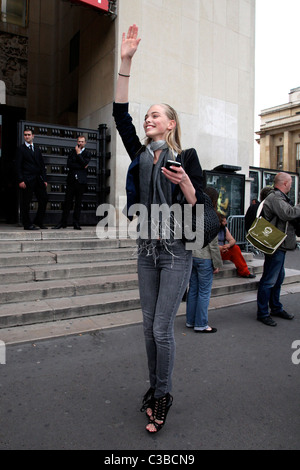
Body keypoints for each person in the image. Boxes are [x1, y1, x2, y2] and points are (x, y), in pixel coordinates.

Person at [113, 25, 204, 434]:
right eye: (146, 114)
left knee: (162, 328)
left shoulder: (186, 157)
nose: (147, 118)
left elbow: (200, 208)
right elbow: (119, 114)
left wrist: (184, 182)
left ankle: (163, 394)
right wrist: (126, 62)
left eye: (155, 115)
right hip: (146, 249)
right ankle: (154, 388)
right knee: (148, 326)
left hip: (176, 251)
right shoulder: (140, 154)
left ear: (170, 124)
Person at [257, 172, 300, 326]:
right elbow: (288, 214)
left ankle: (275, 307)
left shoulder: (279, 197)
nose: (291, 185)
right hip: (274, 244)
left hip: (278, 244)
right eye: (290, 182)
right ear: (285, 183)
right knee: (269, 279)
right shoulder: (275, 197)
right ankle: (263, 313)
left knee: (278, 278)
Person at [186, 188, 222, 333]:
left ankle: (190, 320)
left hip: (192, 256)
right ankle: (201, 324)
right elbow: (213, 244)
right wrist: (217, 263)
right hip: (205, 257)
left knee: (193, 290)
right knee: (204, 292)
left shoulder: (193, 213)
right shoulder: (211, 215)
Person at [53, 136, 91, 230]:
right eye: (79, 141)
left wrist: (78, 155)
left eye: (82, 141)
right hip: (71, 181)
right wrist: (81, 165)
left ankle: (76, 223)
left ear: (85, 143)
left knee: (78, 203)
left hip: (81, 182)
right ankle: (63, 222)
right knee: (67, 203)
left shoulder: (87, 153)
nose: (80, 143)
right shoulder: (71, 152)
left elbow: (84, 163)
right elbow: (69, 164)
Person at [15, 128, 48, 230]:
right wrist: (20, 180)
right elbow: (18, 166)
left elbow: (42, 165)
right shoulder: (21, 149)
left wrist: (45, 179)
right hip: (27, 179)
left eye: (29, 135)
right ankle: (27, 224)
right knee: (26, 202)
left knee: (44, 199)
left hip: (38, 179)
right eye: (25, 135)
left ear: (33, 136)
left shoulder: (37, 150)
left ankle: (38, 221)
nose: (27, 136)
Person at [218, 213, 256, 278]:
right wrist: (220, 248)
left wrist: (229, 245)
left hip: (222, 249)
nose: (226, 223)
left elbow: (232, 240)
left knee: (235, 248)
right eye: (224, 222)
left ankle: (244, 272)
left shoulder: (224, 229)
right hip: (213, 250)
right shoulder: (211, 228)